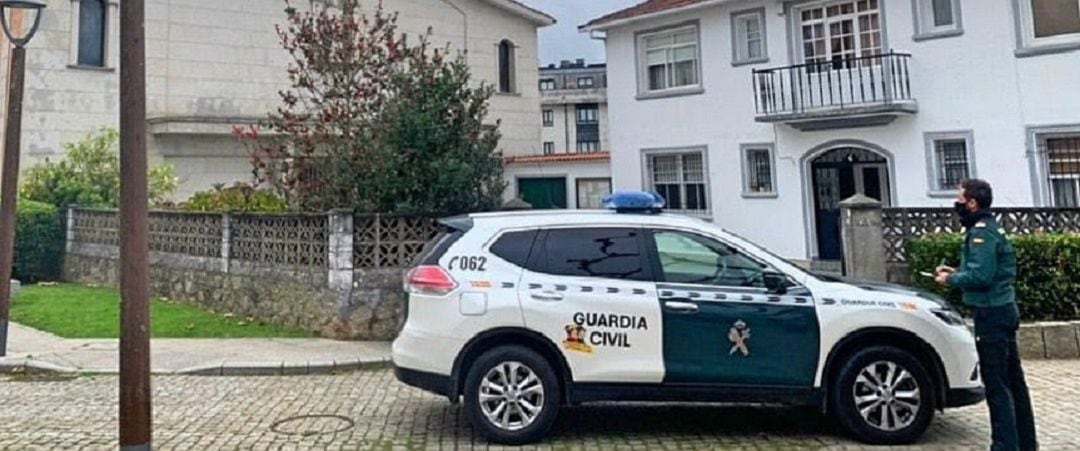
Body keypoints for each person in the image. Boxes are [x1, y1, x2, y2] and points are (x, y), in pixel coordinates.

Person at [935, 179, 1037, 451]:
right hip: (1003, 309)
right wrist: (955, 270)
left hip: (991, 313)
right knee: (1014, 381)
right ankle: (1025, 443)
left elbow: (982, 275)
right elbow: (982, 267)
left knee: (997, 384)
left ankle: (1004, 445)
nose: (956, 203)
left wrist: (951, 279)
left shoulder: (981, 233)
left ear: (972, 202)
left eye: (959, 198)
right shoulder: (990, 229)